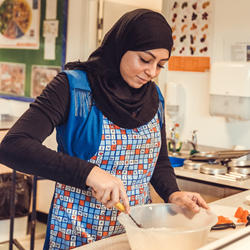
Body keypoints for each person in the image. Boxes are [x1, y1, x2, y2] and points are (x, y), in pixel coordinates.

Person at [0, 8, 209, 249]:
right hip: (76, 235)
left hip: (134, 233)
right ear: (121, 45)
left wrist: (173, 193)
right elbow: (13, 146)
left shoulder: (155, 98)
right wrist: (89, 173)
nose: (152, 72)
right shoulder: (73, 87)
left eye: (161, 65)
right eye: (144, 59)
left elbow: (158, 161)